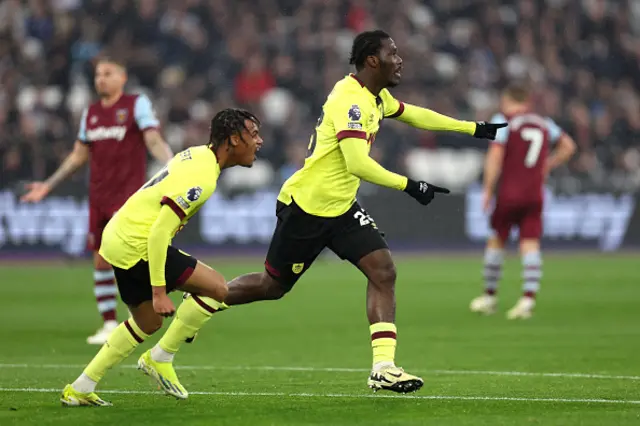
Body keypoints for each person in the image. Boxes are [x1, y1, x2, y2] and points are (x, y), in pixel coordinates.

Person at [203, 30, 506, 394]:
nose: (400, 59)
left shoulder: (374, 97)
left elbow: (415, 115)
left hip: (341, 207)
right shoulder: (350, 101)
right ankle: (204, 297)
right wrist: (410, 185)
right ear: (372, 60)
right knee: (272, 286)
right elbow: (358, 163)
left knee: (383, 270)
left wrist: (473, 128)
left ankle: (384, 367)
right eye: (393, 53)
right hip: (309, 207)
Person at [60, 108, 263, 407]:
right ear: (233, 139)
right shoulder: (204, 178)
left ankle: (80, 387)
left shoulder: (195, 155)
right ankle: (161, 357)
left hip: (117, 237)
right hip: (139, 242)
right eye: (254, 135)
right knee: (218, 288)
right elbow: (158, 234)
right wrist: (158, 292)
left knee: (147, 323)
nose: (259, 141)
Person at [21, 57, 174, 345]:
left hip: (129, 197)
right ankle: (108, 324)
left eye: (107, 73)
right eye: (97, 75)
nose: (100, 79)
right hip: (99, 197)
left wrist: (173, 166)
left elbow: (152, 139)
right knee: (101, 259)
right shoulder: (90, 113)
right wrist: (48, 185)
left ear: (122, 76)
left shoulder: (135, 104)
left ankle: (172, 291)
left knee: (138, 256)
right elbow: (79, 155)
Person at [470, 84, 576, 319]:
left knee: (497, 240)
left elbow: (495, 156)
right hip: (535, 193)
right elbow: (569, 147)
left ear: (508, 100)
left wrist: (487, 190)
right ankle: (527, 300)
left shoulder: (503, 120)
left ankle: (489, 296)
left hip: (510, 192)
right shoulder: (543, 122)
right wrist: (547, 164)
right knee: (530, 243)